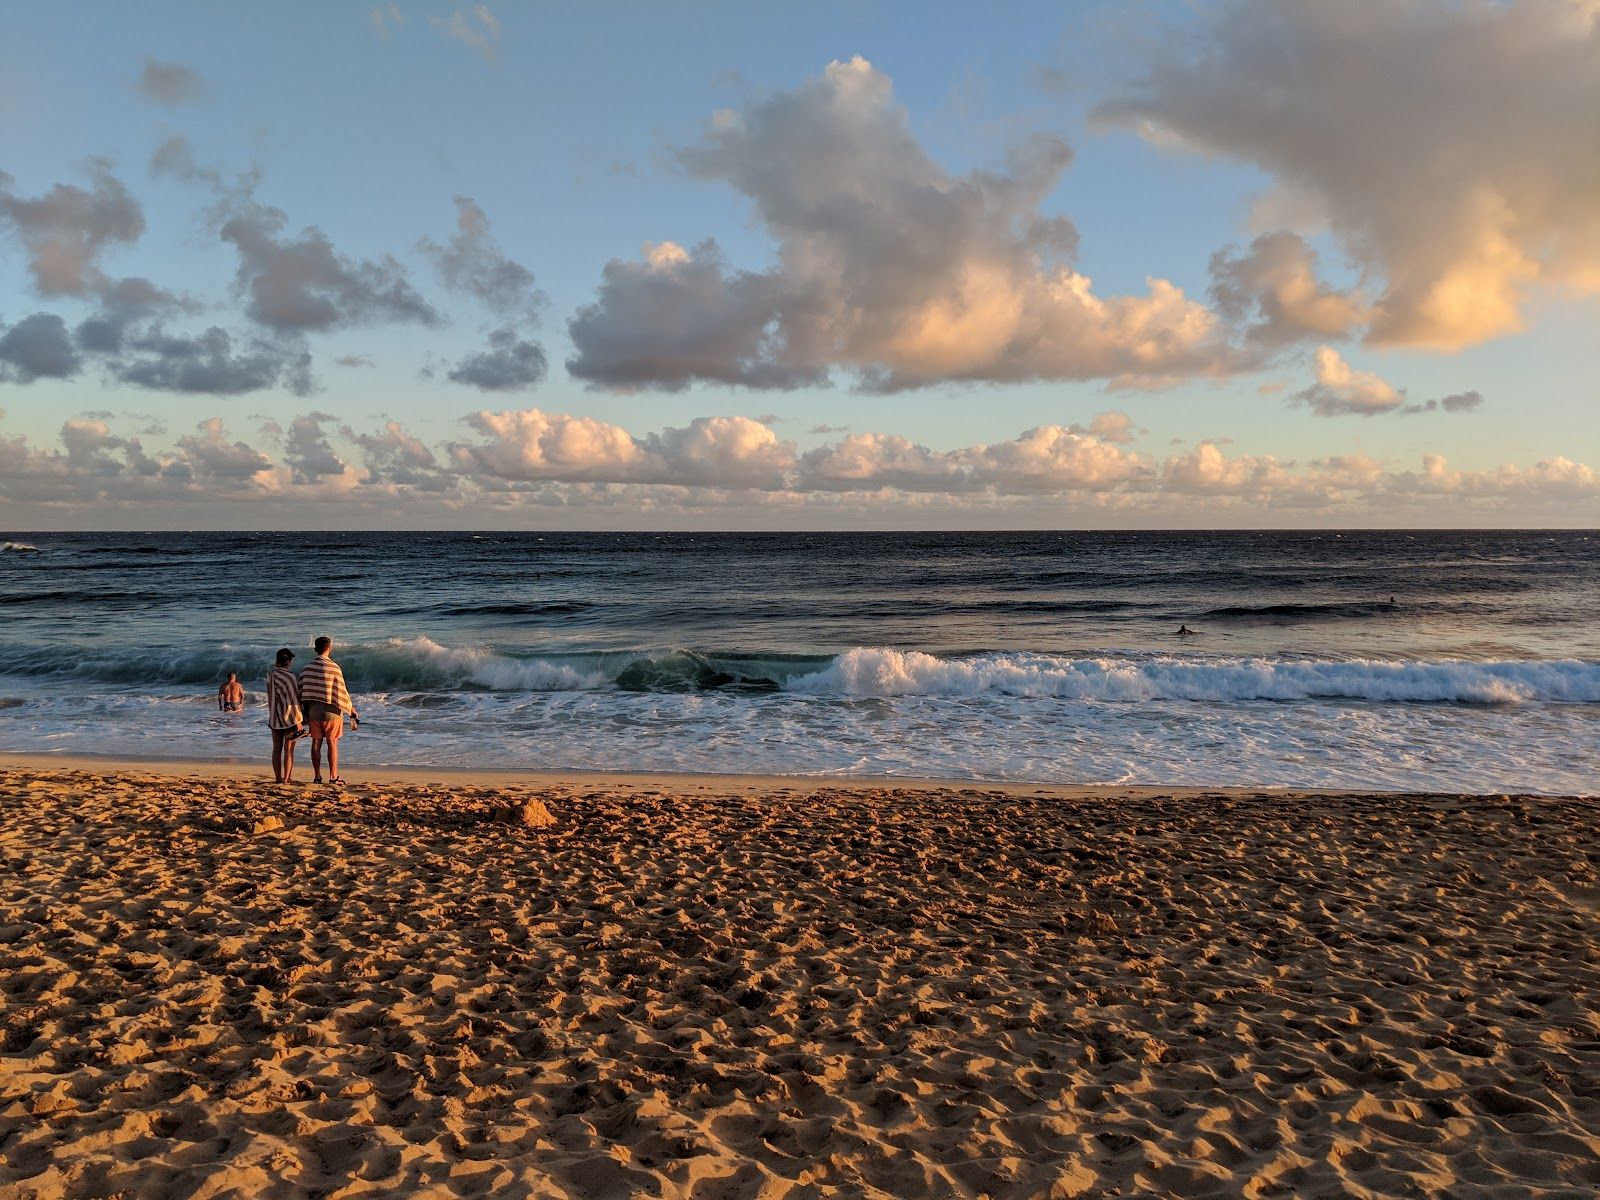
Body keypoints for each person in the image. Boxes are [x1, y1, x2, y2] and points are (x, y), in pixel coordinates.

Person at [298, 635, 359, 785]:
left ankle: (317, 776)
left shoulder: (307, 668)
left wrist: (302, 712)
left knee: (315, 743)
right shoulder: (334, 667)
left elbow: (301, 691)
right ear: (329, 648)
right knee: (332, 743)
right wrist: (351, 709)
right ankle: (333, 777)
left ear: (315, 649)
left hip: (314, 710)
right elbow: (341, 692)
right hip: (332, 711)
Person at [266, 649, 305, 784]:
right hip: (290, 717)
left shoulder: (270, 676)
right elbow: (294, 699)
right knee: (288, 750)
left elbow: (271, 696)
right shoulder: (291, 677)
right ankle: (287, 779)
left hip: (274, 717)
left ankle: (278, 778)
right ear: (288, 661)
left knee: (276, 749)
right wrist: (299, 720)